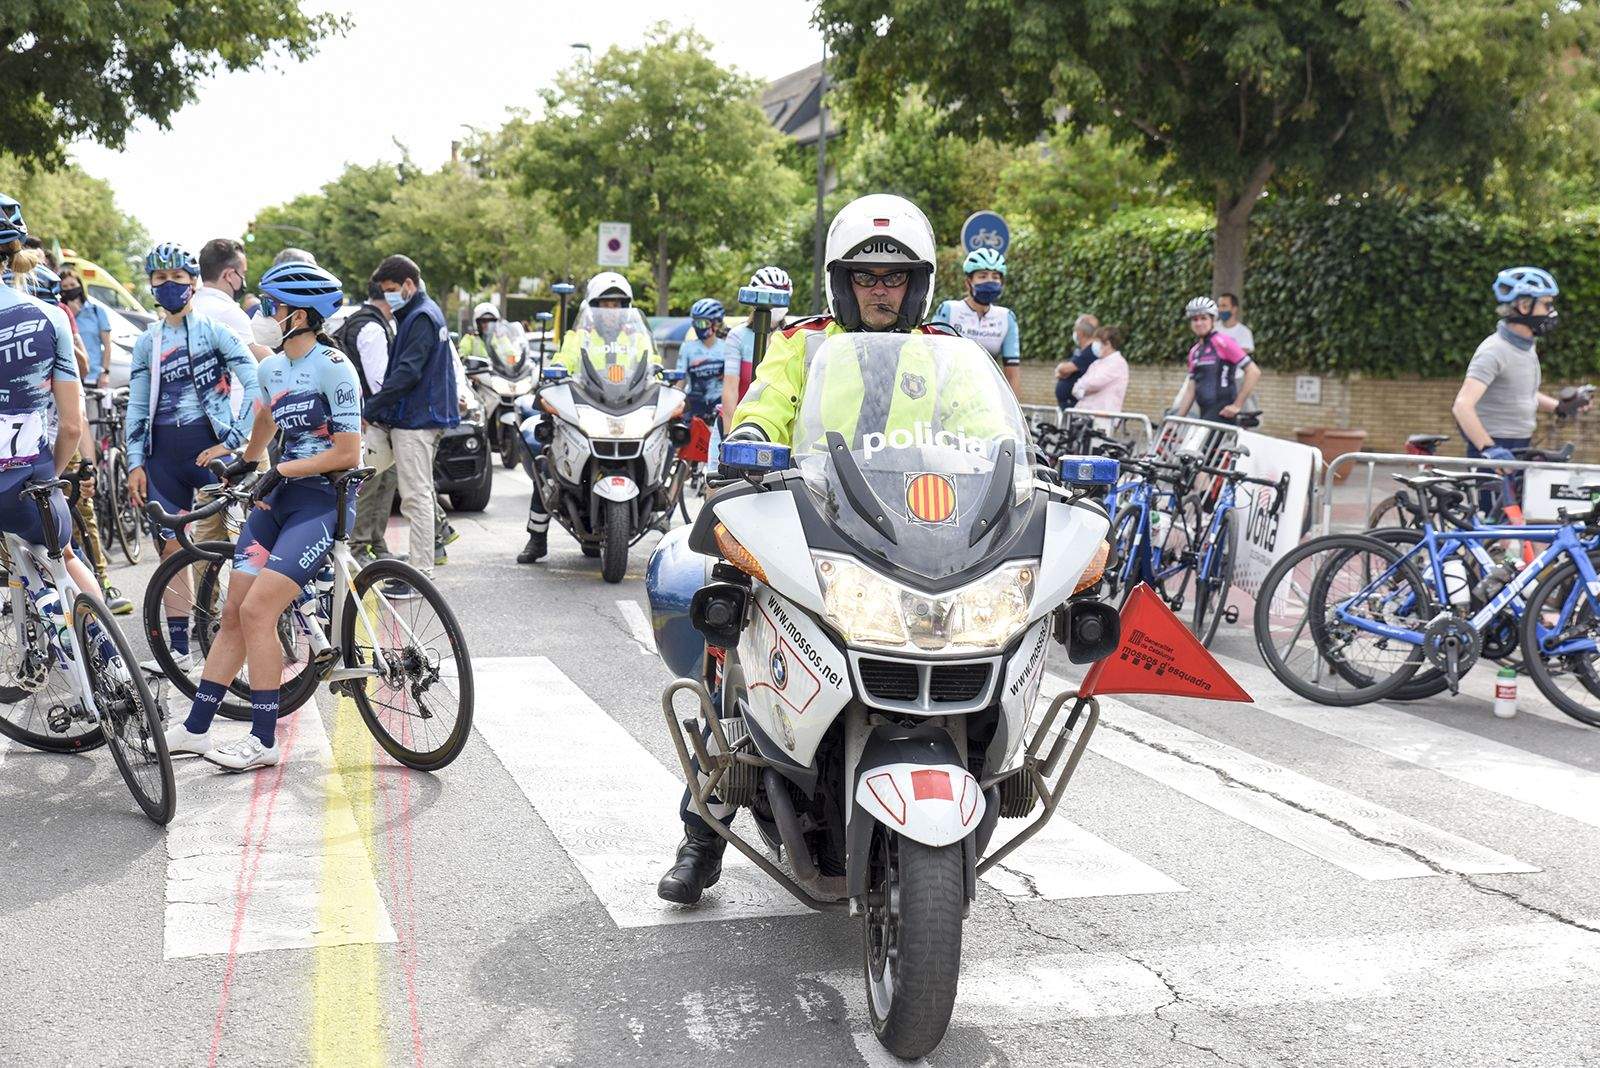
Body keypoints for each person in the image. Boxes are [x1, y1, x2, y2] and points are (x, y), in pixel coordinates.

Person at [658, 191, 964, 904]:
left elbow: (987, 426)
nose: (881, 290)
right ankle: (701, 836)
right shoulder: (802, 341)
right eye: (867, 276)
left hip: (923, 534)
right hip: (818, 524)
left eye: (894, 277)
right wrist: (754, 441)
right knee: (731, 639)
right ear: (842, 281)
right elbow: (766, 403)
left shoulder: (947, 352)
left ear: (916, 283)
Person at [163, 261, 361, 772]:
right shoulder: (272, 368)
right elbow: (266, 419)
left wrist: (286, 468)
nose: (265, 315)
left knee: (257, 613)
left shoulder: (334, 366)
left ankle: (264, 741)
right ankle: (197, 729)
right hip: (275, 500)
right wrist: (246, 463)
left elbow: (347, 452)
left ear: (300, 315)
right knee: (232, 614)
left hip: (319, 503)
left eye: (273, 307)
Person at [126, 242, 261, 671]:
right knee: (171, 554)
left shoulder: (216, 332)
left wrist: (234, 439)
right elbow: (136, 404)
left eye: (176, 279)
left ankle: (232, 640)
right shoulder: (148, 341)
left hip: (208, 452)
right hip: (162, 457)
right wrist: (133, 461)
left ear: (192, 282)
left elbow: (256, 385)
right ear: (151, 284)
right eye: (159, 279)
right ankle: (181, 651)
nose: (168, 286)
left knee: (231, 548)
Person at [0, 194, 108, 616]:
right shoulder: (52, 315)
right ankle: (113, 663)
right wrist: (51, 475)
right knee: (64, 557)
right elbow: (71, 427)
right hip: (35, 476)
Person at [523, 272, 658, 564]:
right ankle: (537, 538)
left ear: (627, 309)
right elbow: (562, 364)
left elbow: (652, 369)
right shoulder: (578, 337)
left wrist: (660, 378)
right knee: (548, 462)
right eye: (605, 305)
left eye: (617, 305)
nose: (611, 312)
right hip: (590, 410)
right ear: (593, 309)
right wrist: (553, 374)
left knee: (665, 441)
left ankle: (659, 512)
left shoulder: (637, 339)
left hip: (626, 410)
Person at [364, 254, 458, 585]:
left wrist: (373, 408)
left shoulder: (419, 317)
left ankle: (420, 575)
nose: (389, 295)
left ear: (409, 284)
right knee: (421, 495)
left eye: (392, 288)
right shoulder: (423, 313)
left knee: (415, 498)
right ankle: (420, 567)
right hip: (423, 417)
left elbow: (408, 372)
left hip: (417, 421)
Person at [1453, 266, 1571, 460]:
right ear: (1525, 306)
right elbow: (1462, 406)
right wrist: (1489, 449)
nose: (1552, 312)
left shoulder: (1525, 346)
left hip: (1520, 443)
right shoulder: (1494, 351)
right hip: (1495, 445)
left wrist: (1560, 407)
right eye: (1546, 304)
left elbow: (1519, 392)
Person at [336, 282, 399, 561]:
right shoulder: (372, 328)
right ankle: (360, 546)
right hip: (371, 419)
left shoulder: (367, 322)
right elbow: (379, 381)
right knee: (373, 481)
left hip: (367, 417)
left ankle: (375, 542)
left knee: (384, 479)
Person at [932, 247, 1021, 395]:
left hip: (987, 397)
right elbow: (933, 361)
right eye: (982, 276)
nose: (990, 281)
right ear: (968, 282)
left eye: (995, 276)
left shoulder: (1007, 318)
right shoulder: (949, 310)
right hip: (950, 395)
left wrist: (1015, 415)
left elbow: (1013, 375)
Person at [1173, 296, 1259, 425]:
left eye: (1203, 318)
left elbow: (1254, 372)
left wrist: (1237, 405)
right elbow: (1191, 389)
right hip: (1205, 413)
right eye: (1195, 319)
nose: (1199, 323)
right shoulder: (1194, 351)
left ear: (1213, 320)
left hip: (1222, 413)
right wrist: (1176, 420)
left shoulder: (1223, 342)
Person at [679, 298, 734, 426]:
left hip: (720, 406)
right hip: (694, 408)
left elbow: (732, 382)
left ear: (715, 324)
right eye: (695, 323)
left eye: (703, 323)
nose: (698, 327)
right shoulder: (687, 348)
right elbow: (680, 381)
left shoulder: (727, 348)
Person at [60, 267, 112, 389]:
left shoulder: (96, 311)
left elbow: (107, 346)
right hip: (68, 376)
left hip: (92, 376)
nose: (70, 289)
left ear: (80, 286)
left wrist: (105, 372)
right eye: (65, 287)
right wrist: (71, 314)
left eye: (73, 285)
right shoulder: (59, 313)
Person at [1073, 324, 1129, 413]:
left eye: (1097, 342)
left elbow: (1094, 383)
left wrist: (1083, 388)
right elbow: (1076, 388)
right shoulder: (1096, 363)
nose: (1094, 345)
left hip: (1103, 417)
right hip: (1084, 414)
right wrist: (1083, 389)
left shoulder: (1118, 363)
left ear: (1108, 344)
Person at [1055, 313, 1099, 412]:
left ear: (1080, 333)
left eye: (1075, 329)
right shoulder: (1080, 350)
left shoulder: (1090, 351)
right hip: (1068, 404)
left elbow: (1064, 369)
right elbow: (1060, 372)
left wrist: (1062, 370)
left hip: (1075, 405)